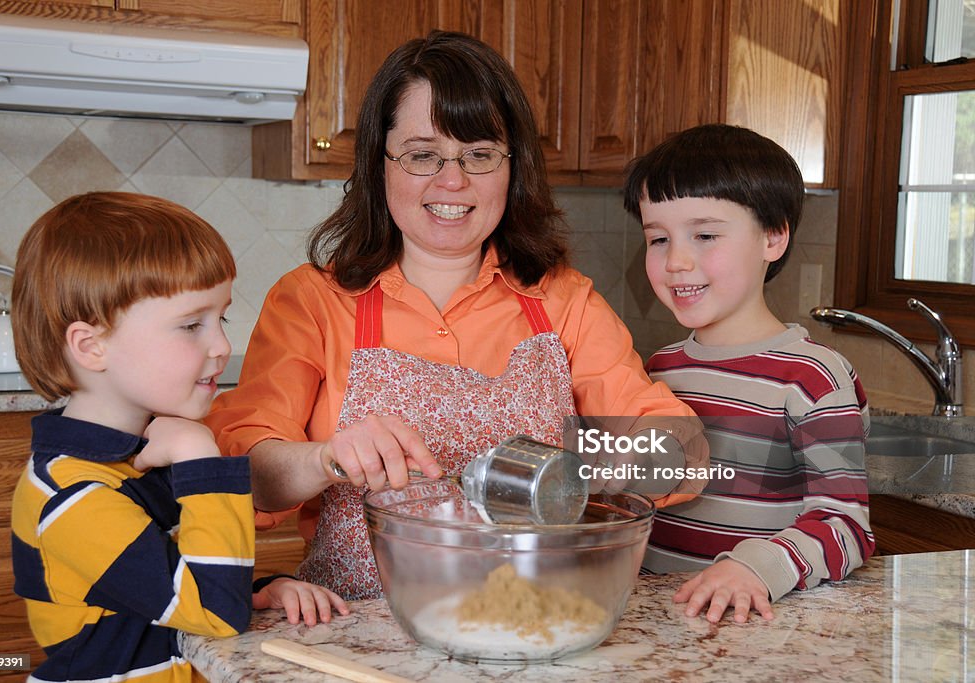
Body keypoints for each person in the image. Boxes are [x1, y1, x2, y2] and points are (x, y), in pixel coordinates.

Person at [206, 30, 703, 601]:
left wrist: (574, 474)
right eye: (422, 155)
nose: (453, 180)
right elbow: (246, 475)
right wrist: (325, 459)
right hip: (360, 629)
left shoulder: (563, 301)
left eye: (480, 154)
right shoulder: (311, 301)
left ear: (512, 166)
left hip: (533, 620)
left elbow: (682, 450)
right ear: (380, 163)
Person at [10, 192, 347, 683]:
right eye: (191, 325)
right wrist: (197, 456)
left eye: (220, 318)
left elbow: (166, 591)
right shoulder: (72, 496)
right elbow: (213, 610)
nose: (221, 345)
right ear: (92, 345)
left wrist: (257, 591)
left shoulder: (139, 453)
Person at [623, 124, 874, 624]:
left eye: (706, 234)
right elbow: (636, 501)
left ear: (773, 237)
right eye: (658, 239)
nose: (677, 261)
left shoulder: (814, 378)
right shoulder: (658, 371)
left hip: (749, 625)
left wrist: (754, 569)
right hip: (656, 621)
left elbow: (847, 524)